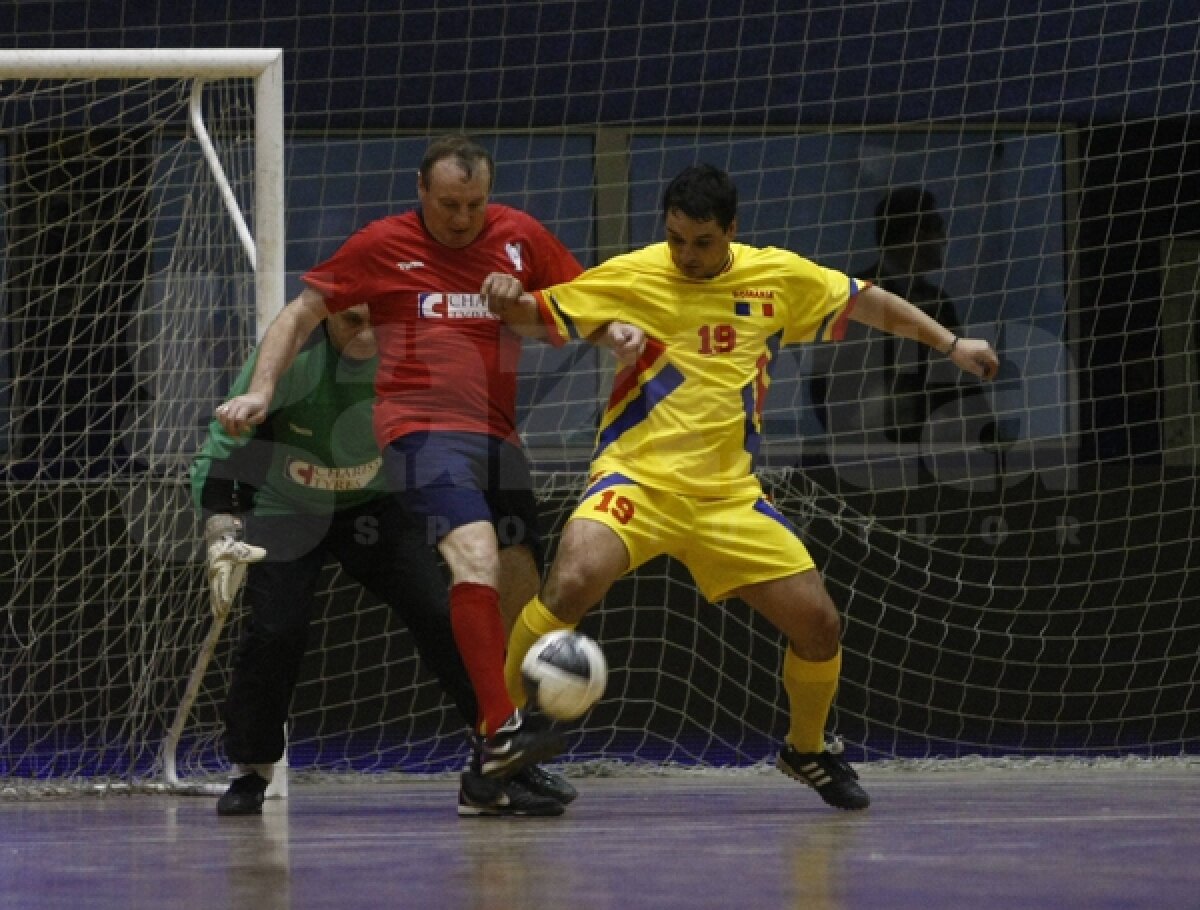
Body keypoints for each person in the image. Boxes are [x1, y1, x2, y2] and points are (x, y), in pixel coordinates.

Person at [484, 164, 999, 811]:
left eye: (702, 242)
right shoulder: (633, 274)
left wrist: (950, 344)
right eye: (676, 239)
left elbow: (865, 300)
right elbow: (540, 317)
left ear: (730, 229)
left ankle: (806, 749)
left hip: (729, 497)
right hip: (636, 480)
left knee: (819, 625)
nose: (687, 255)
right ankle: (500, 743)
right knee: (572, 579)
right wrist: (509, 301)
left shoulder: (775, 275)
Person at [214, 134, 631, 802]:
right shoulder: (379, 248)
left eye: (474, 204)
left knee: (507, 589)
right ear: (420, 191)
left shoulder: (520, 237)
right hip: (399, 443)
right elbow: (299, 314)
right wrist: (260, 396)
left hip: (483, 442)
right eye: (447, 204)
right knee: (464, 561)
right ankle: (494, 736)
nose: (462, 218)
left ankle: (496, 766)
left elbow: (574, 309)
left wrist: (604, 330)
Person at [194, 304, 569, 818]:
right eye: (352, 320)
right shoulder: (290, 358)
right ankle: (250, 771)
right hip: (286, 507)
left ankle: (501, 759)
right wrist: (221, 527)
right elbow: (224, 441)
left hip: (377, 504)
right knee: (276, 629)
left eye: (377, 319)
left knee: (442, 615)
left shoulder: (415, 356)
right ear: (324, 315)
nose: (366, 333)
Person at [862, 186, 994, 444]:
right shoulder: (858, 298)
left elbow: (962, 380)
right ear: (915, 235)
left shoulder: (937, 303)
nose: (944, 240)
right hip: (872, 451)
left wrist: (991, 441)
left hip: (935, 448)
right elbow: (828, 385)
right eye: (937, 228)